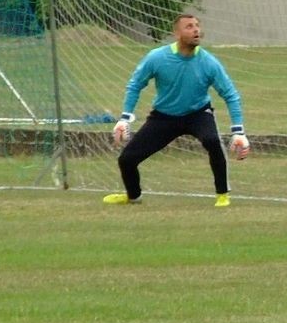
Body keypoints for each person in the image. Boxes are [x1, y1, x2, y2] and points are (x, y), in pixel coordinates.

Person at [105, 14, 248, 208]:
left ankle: (222, 195)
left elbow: (230, 95)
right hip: (163, 117)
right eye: (189, 26)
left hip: (198, 114)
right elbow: (135, 85)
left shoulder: (209, 63)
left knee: (212, 141)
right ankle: (133, 196)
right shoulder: (157, 57)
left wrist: (238, 132)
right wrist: (124, 119)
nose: (196, 30)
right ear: (177, 33)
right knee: (127, 159)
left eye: (197, 26)